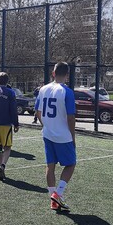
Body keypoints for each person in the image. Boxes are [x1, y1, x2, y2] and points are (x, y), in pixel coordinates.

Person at [34, 64, 76, 212]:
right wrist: (73, 136)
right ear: (67, 74)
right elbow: (71, 117)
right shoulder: (67, 92)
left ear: (53, 73)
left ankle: (53, 199)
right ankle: (58, 193)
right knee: (71, 164)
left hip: (47, 133)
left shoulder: (43, 89)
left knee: (50, 165)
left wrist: (45, 125)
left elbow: (38, 111)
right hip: (63, 135)